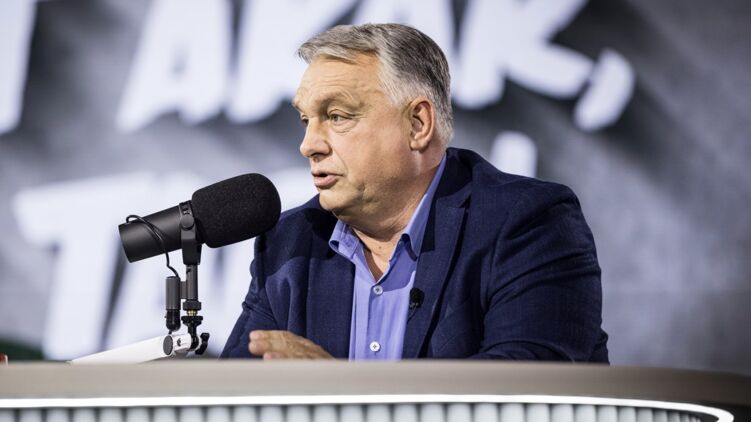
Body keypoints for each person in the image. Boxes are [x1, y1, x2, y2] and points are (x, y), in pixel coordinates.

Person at [221, 23, 608, 361]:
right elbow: (235, 395)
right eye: (306, 120)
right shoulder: (291, 244)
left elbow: (521, 392)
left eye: (337, 116)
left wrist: (338, 389)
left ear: (418, 124)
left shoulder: (528, 223)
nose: (309, 145)